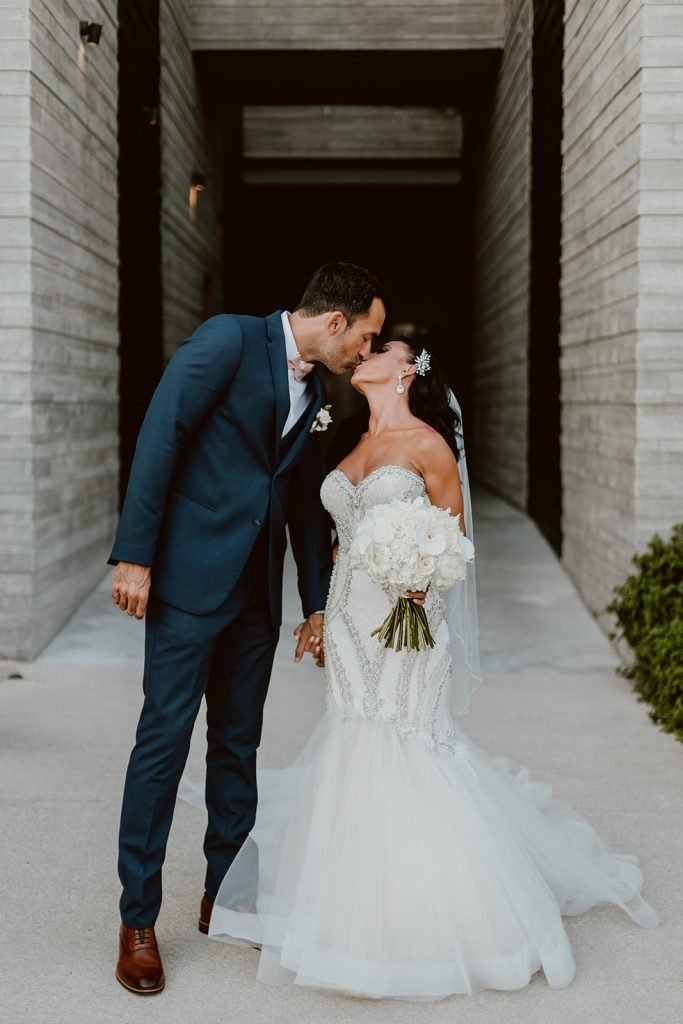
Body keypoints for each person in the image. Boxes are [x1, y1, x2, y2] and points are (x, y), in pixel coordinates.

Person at [202, 338, 659, 999]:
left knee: (404, 742)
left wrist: (420, 578)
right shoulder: (345, 441)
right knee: (353, 738)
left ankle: (430, 918)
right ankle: (348, 903)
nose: (364, 353)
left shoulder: (428, 447)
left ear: (407, 371)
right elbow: (335, 540)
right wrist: (320, 614)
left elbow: (454, 542)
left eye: (380, 348)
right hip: (351, 619)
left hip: (407, 624)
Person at [109, 262, 387, 995]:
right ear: (335, 323)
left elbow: (299, 502)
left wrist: (316, 602)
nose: (367, 351)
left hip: (253, 601)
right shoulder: (228, 341)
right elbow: (161, 436)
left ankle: (223, 897)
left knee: (238, 746)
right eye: (366, 337)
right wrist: (135, 555)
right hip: (188, 582)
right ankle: (138, 919)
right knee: (163, 743)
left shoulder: (319, 392)